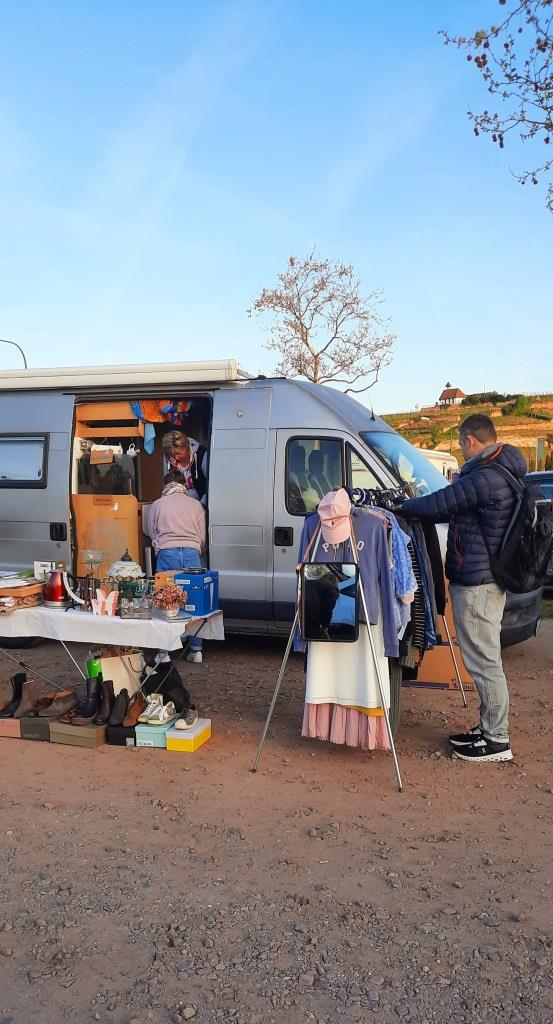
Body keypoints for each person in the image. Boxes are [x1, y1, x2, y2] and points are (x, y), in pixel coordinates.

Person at [400, 414, 527, 763]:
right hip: (485, 581)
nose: (460, 448)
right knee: (484, 658)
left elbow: (439, 504)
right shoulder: (501, 470)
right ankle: (488, 728)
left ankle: (497, 739)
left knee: (485, 662)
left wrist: (401, 507)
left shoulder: (484, 477)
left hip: (478, 584)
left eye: (460, 442)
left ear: (470, 440)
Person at [148, 473, 207, 663]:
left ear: (165, 485)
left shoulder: (157, 504)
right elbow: (202, 535)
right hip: (191, 553)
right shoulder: (196, 505)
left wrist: (160, 545)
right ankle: (196, 650)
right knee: (194, 601)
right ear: (184, 485)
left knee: (166, 600)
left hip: (167, 553)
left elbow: (151, 531)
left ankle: (163, 653)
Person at [161, 431, 208, 506]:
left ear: (186, 447)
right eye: (173, 455)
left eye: (178, 454)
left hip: (199, 503)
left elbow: (210, 488)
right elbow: (168, 486)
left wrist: (200, 507)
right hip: (176, 503)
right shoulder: (168, 457)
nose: (175, 457)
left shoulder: (202, 455)